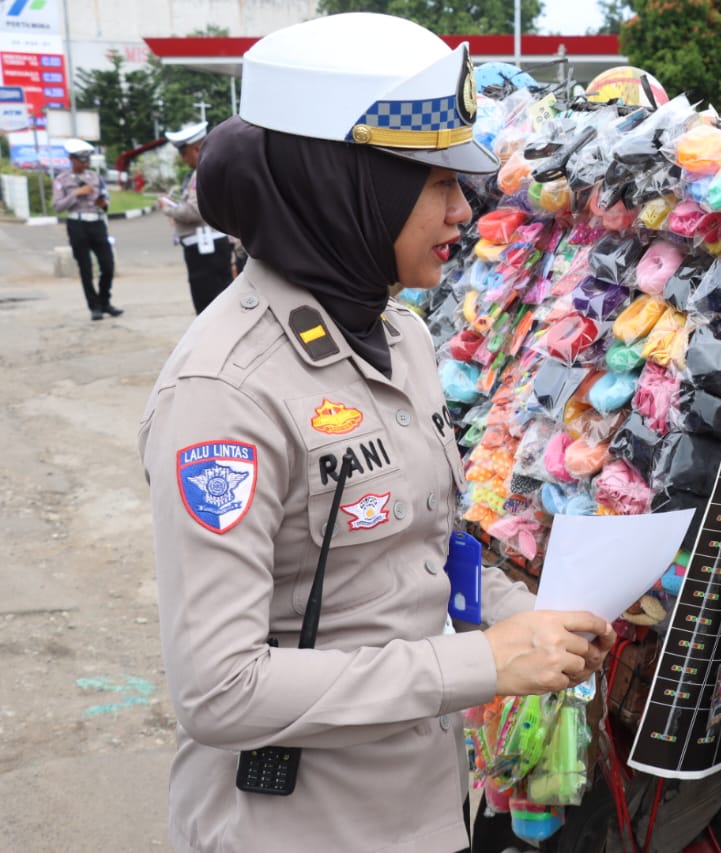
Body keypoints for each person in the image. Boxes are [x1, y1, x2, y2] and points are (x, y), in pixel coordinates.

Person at [137, 13, 615, 853]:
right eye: (435, 183)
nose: (464, 211)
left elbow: (419, 553)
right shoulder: (226, 390)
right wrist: (484, 663)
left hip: (422, 807)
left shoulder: (402, 334)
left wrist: (533, 617)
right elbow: (219, 688)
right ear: (343, 183)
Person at [156, 121, 234, 314]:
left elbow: (193, 212)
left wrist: (167, 209)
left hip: (205, 248)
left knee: (207, 304)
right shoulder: (212, 169)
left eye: (184, 153)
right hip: (212, 245)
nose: (184, 159)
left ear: (197, 150)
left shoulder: (201, 173)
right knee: (220, 302)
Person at [53, 138, 119, 321]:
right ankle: (94, 307)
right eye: (81, 160)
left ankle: (105, 301)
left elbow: (105, 201)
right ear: (72, 159)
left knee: (108, 265)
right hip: (77, 224)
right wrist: (76, 193)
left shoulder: (95, 177)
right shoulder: (61, 180)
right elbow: (58, 206)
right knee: (86, 268)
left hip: (96, 222)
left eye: (87, 160)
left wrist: (103, 203)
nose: (85, 164)